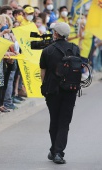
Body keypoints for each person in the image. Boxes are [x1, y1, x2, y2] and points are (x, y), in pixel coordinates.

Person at [40, 22, 80, 164]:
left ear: (56, 34)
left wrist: (44, 87)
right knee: (64, 122)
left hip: (52, 90)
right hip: (71, 90)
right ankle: (58, 152)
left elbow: (43, 73)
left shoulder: (47, 50)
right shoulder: (75, 48)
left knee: (54, 120)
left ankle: (54, 150)